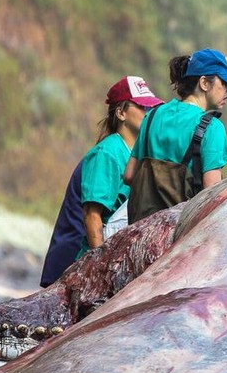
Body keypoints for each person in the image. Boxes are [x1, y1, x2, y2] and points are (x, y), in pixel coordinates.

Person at [39, 76, 164, 287]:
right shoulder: (107, 153)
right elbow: (92, 216)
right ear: (121, 112)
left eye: (151, 108)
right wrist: (101, 271)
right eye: (142, 106)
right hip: (80, 264)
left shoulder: (134, 153)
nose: (148, 112)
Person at [123, 49, 227, 224]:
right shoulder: (212, 128)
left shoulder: (153, 115)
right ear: (204, 83)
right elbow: (212, 194)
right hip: (179, 236)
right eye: (225, 83)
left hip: (140, 228)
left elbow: (129, 175)